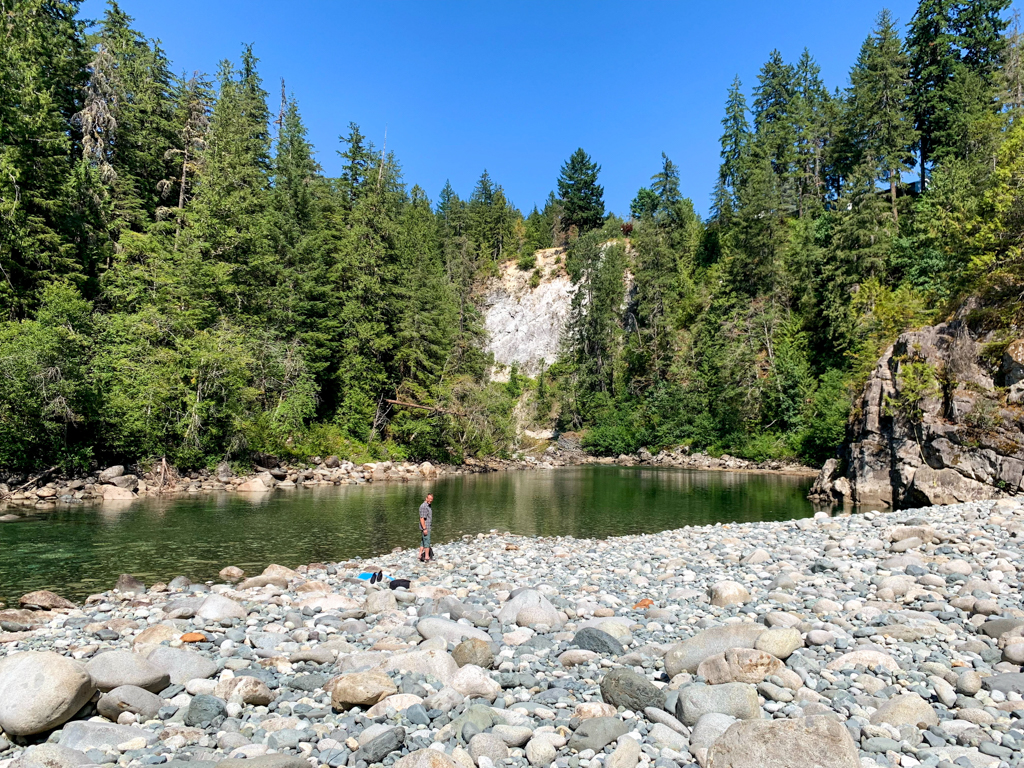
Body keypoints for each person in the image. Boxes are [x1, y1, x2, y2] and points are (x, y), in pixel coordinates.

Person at [418, 493, 434, 562]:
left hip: (427, 526)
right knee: (427, 542)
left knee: (423, 541)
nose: (430, 500)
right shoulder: (424, 506)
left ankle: (420, 555)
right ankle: (427, 557)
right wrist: (424, 528)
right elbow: (422, 518)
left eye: (431, 499)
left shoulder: (428, 505)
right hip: (426, 527)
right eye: (429, 499)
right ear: (426, 498)